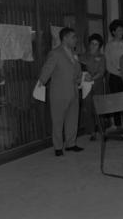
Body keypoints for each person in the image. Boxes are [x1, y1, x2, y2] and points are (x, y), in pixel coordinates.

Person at [39, 27, 83, 156]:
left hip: (74, 91)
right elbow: (47, 69)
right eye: (73, 37)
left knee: (72, 119)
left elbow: (77, 71)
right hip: (59, 93)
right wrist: (41, 82)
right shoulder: (55, 53)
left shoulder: (74, 54)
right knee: (58, 121)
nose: (76, 40)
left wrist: (80, 78)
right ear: (65, 38)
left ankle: (71, 144)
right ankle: (58, 147)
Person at [79, 34, 106, 141]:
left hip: (97, 83)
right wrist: (85, 76)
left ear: (99, 46)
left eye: (96, 44)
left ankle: (102, 130)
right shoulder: (83, 56)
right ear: (89, 44)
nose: (94, 46)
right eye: (92, 43)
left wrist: (93, 78)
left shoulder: (102, 57)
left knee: (99, 108)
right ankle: (92, 132)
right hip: (86, 85)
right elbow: (79, 69)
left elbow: (102, 71)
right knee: (88, 108)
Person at [104, 19, 123, 126]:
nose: (120, 32)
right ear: (113, 32)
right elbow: (108, 64)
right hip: (115, 76)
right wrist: (119, 73)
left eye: (122, 30)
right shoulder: (108, 45)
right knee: (117, 102)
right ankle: (118, 126)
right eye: (118, 30)